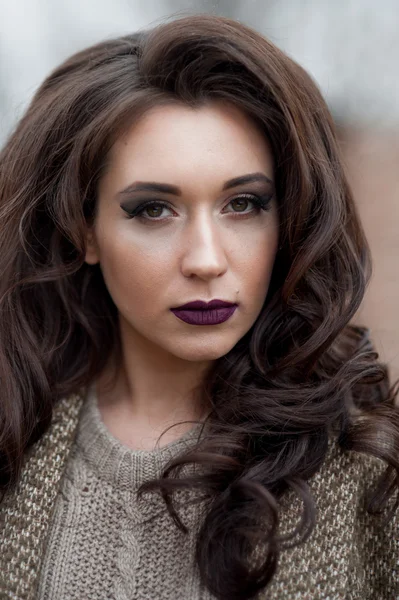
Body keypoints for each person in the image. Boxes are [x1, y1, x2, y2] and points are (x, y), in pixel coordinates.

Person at [0, 13, 398, 600]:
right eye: (153, 211)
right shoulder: (17, 435)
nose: (206, 260)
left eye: (243, 203)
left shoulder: (366, 463)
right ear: (85, 230)